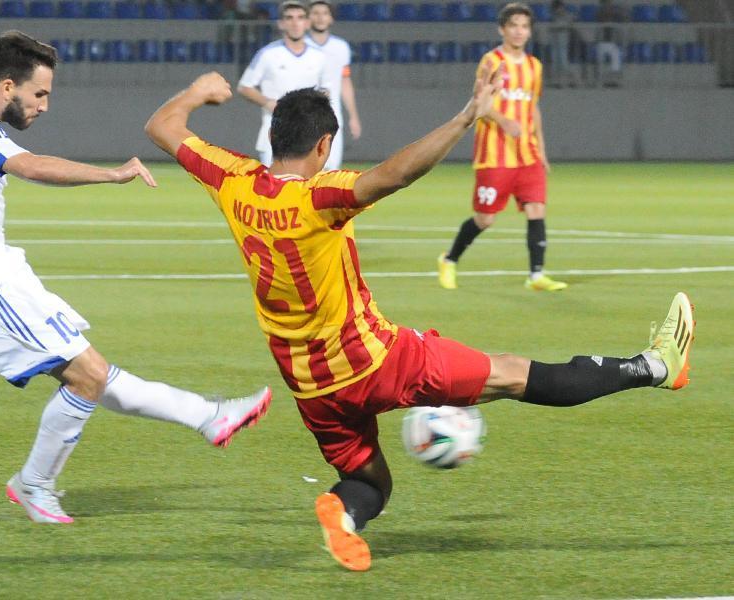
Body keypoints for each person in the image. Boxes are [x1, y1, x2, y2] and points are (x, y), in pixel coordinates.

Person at [144, 69, 694, 571]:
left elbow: (161, 127)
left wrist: (196, 93)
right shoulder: (319, 197)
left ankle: (344, 515)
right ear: (324, 145)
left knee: (369, 482)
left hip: (311, 389)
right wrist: (466, 117)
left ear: (273, 137)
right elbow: (395, 174)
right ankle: (655, 366)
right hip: (377, 360)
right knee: (515, 375)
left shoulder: (233, 180)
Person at [0, 31, 272, 525]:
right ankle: (34, 484)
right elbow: (31, 166)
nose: (44, 106)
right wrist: (112, 174)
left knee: (94, 374)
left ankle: (207, 416)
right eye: (39, 94)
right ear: (8, 85)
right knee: (89, 376)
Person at [438, 2, 567, 292]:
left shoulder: (534, 66)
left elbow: (533, 108)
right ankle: (449, 259)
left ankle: (536, 276)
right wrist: (504, 121)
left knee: (536, 209)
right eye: (513, 26)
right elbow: (479, 103)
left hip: (528, 154)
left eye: (525, 26)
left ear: (530, 31)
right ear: (502, 30)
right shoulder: (491, 61)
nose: (519, 31)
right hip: (494, 154)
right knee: (486, 219)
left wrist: (541, 149)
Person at [237, 0, 333, 166]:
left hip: (308, 134)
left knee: (306, 182)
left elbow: (326, 89)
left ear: (307, 23)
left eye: (300, 18)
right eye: (289, 18)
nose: (295, 23)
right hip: (275, 132)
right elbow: (244, 87)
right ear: (281, 24)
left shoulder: (319, 57)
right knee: (274, 181)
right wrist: (268, 103)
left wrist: (312, 107)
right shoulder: (268, 54)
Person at [305, 0, 361, 170]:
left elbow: (345, 81)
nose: (320, 17)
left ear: (331, 18)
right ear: (308, 18)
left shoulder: (340, 47)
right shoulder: (301, 45)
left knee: (332, 167)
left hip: (332, 114)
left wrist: (353, 116)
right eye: (315, 13)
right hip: (304, 114)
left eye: (325, 13)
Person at [595, 0, 624, 87]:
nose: (608, 5)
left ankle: (613, 80)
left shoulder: (614, 13)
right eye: (606, 3)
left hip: (611, 43)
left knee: (616, 56)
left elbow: (623, 17)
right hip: (601, 43)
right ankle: (600, 81)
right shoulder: (600, 13)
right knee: (600, 60)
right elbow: (602, 19)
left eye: (609, 3)